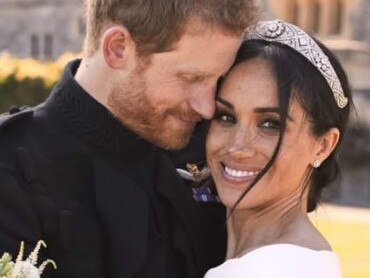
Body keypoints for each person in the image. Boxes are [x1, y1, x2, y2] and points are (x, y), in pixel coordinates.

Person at [0, 1, 259, 277]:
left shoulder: (216, 147)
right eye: (190, 78)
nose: (207, 107)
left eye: (218, 80)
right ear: (118, 48)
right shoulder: (11, 169)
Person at [204, 20, 352, 277]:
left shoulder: (278, 268)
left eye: (270, 124)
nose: (238, 146)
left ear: (323, 145)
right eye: (226, 117)